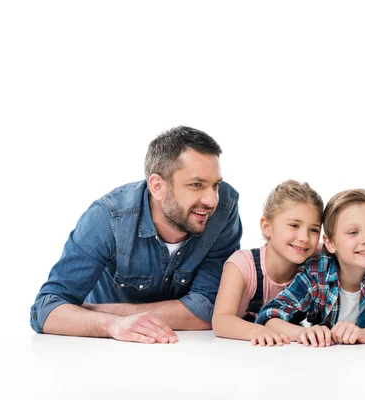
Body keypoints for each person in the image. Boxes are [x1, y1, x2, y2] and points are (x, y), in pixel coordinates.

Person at [30, 126, 242, 344]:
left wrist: (96, 311)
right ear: (157, 186)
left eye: (215, 185)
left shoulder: (224, 209)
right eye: (196, 185)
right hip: (106, 352)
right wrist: (111, 324)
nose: (211, 200)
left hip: (191, 352)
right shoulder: (109, 217)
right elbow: (46, 310)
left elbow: (208, 310)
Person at [255, 189, 365, 347]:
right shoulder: (317, 272)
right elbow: (271, 315)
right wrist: (302, 333)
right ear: (330, 243)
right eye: (353, 232)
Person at [212, 180, 323, 346]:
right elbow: (221, 320)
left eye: (314, 229)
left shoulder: (319, 259)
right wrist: (259, 331)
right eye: (294, 225)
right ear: (267, 227)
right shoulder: (242, 264)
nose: (304, 238)